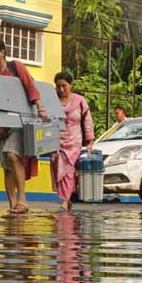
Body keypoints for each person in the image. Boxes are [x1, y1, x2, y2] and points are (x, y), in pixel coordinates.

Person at [0, 37, 47, 217]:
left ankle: (23, 199)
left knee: (12, 154)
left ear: (2, 52)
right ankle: (12, 204)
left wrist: (40, 108)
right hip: (2, 127)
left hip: (21, 123)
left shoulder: (16, 67)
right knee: (7, 164)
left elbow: (30, 86)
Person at [52, 72, 95, 211]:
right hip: (57, 141)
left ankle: (64, 201)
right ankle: (67, 198)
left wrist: (90, 141)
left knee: (69, 170)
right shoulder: (51, 100)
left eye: (64, 86)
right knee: (59, 169)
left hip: (74, 141)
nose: (61, 89)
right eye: (58, 86)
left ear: (71, 85)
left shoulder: (79, 101)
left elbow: (87, 121)